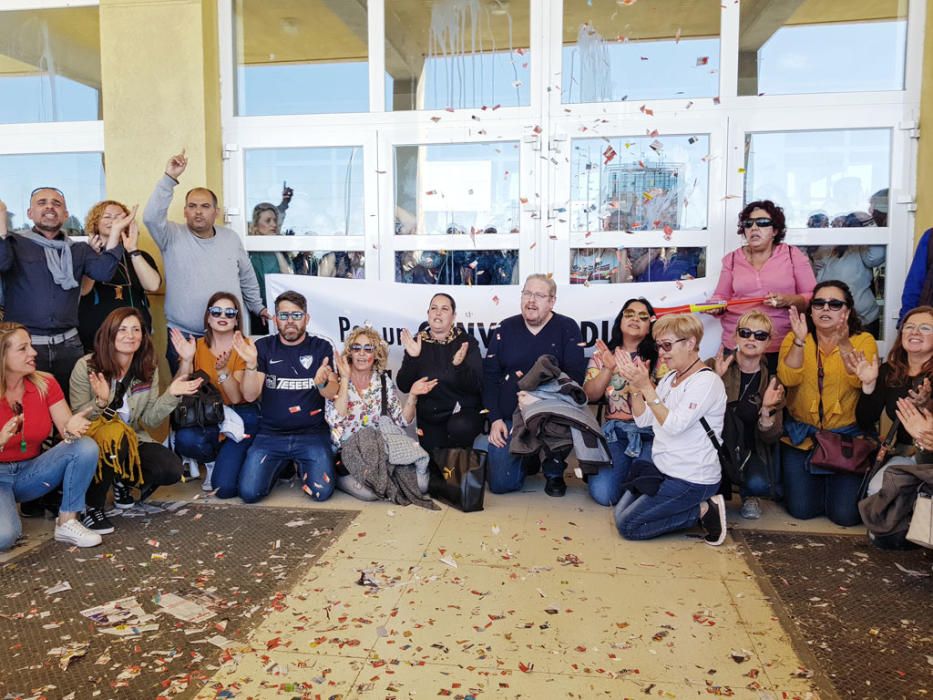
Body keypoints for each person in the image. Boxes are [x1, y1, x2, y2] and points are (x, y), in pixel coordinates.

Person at [69, 308, 203, 533]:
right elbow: (78, 419)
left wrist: (172, 392)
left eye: (135, 330)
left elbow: (150, 419)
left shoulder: (147, 368)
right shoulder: (86, 367)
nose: (129, 335)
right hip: (94, 444)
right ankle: (92, 507)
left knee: (170, 468)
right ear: (108, 334)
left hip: (132, 439)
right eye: (122, 329)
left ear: (143, 336)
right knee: (115, 436)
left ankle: (122, 481)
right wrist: (101, 402)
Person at [142, 151, 270, 373]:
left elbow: (247, 277)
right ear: (184, 211)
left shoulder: (230, 238)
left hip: (228, 334)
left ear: (216, 212)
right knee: (188, 401)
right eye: (192, 206)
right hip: (185, 337)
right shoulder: (170, 235)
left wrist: (258, 307)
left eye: (204, 206)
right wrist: (169, 178)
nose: (198, 212)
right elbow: (151, 217)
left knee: (230, 395)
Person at [613, 314, 729, 545]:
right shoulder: (670, 379)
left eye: (667, 345)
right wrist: (636, 389)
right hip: (663, 469)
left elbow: (674, 425)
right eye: (659, 346)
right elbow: (644, 420)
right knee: (619, 513)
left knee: (629, 527)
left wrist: (647, 386)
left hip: (691, 478)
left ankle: (704, 510)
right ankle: (689, 509)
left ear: (690, 343)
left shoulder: (706, 382)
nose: (662, 352)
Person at [0, 187, 122, 396]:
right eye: (42, 203)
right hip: (26, 347)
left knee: (70, 407)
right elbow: (2, 263)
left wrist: (116, 232)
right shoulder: (14, 243)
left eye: (57, 203)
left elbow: (103, 272)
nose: (49, 206)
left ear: (65, 215)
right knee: (28, 407)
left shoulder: (79, 249)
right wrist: (2, 224)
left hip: (69, 347)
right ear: (30, 213)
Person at [777, 280, 878, 526]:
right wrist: (800, 341)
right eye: (819, 303)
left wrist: (843, 343)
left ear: (848, 311)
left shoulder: (863, 340)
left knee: (844, 516)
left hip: (845, 441)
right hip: (804, 438)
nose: (825, 309)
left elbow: (858, 382)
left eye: (835, 304)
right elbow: (788, 378)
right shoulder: (795, 337)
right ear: (810, 310)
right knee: (801, 511)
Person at [0, 323, 102, 550]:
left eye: (31, 346)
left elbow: (67, 431)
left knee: (84, 446)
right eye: (23, 348)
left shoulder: (45, 383)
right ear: (2, 356)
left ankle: (67, 521)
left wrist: (74, 425)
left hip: (31, 472)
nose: (33, 353)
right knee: (4, 538)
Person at [483, 274, 586, 496]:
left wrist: (540, 399)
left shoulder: (567, 328)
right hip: (510, 416)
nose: (531, 300)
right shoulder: (505, 328)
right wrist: (495, 419)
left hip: (553, 414)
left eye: (539, 295)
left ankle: (553, 470)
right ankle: (526, 457)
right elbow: (490, 376)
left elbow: (575, 378)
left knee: (564, 420)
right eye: (527, 293)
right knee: (501, 484)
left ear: (551, 301)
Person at [233, 291, 338, 504]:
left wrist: (322, 383)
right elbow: (250, 395)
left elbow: (332, 392)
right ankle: (283, 466)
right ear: (275, 319)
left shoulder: (321, 347)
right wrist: (251, 364)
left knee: (321, 493)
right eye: (284, 315)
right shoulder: (262, 347)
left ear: (307, 319)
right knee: (249, 493)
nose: (290, 321)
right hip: (270, 436)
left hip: (312, 435)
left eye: (297, 315)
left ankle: (295, 464)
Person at [856, 306, 933, 547]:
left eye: (925, 328)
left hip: (930, 458)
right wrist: (868, 387)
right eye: (909, 327)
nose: (915, 332)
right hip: (905, 455)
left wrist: (927, 406)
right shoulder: (891, 371)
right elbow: (864, 420)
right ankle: (903, 530)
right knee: (877, 490)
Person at [327, 327, 434, 500]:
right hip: (348, 454)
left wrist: (413, 395)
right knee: (370, 494)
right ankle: (338, 476)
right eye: (357, 348)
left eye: (368, 348)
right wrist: (345, 379)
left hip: (380, 451)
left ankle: (384, 477)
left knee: (421, 485)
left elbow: (401, 421)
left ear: (376, 354)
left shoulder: (383, 381)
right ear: (350, 352)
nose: (362, 354)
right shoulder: (336, 380)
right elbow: (335, 419)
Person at [711, 200, 816, 372]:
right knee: (734, 396)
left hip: (781, 344)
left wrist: (787, 300)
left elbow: (813, 297)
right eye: (748, 224)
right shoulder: (732, 259)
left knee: (777, 396)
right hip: (739, 343)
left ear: (775, 230)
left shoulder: (792, 255)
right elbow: (720, 297)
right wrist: (715, 306)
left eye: (762, 223)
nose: (754, 228)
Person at [171, 292, 257, 494]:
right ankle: (210, 462)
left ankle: (229, 462)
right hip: (206, 415)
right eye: (216, 311)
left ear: (237, 320)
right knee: (184, 440)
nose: (222, 317)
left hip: (240, 413)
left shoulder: (244, 346)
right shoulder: (196, 346)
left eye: (230, 313)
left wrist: (223, 372)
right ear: (208, 318)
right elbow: (177, 390)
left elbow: (236, 398)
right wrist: (185, 361)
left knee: (224, 488)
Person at [707, 310, 785, 519]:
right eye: (745, 332)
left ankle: (749, 494)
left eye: (760, 335)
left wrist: (767, 410)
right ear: (736, 336)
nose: (752, 338)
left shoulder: (772, 381)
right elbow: (696, 412)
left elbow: (771, 436)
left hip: (750, 450)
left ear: (769, 342)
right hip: (715, 447)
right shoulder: (713, 365)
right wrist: (715, 380)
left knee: (759, 485)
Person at [582, 298, 658, 506]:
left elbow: (668, 401)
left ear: (650, 325)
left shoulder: (661, 356)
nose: (635, 319)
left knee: (646, 490)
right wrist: (608, 369)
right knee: (604, 494)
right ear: (620, 320)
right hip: (615, 433)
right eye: (629, 313)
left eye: (643, 316)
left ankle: (635, 475)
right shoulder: (603, 354)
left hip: (651, 433)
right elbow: (590, 395)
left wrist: (642, 383)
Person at [396, 293, 484, 452]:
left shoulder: (466, 342)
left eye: (444, 309)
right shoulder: (418, 342)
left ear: (453, 316)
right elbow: (403, 385)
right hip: (430, 419)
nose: (438, 312)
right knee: (434, 469)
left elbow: (476, 385)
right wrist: (413, 357)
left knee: (459, 434)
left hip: (462, 416)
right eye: (434, 308)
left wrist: (459, 366)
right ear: (428, 314)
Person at [78, 201, 162, 351]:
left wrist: (133, 250)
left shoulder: (139, 255)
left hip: (135, 339)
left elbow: (153, 285)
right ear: (96, 223)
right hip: (97, 339)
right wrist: (94, 256)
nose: (114, 221)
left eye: (119, 217)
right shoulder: (87, 254)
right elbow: (84, 290)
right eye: (107, 217)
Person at [810, 212, 885, 336]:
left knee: (862, 354)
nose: (836, 226)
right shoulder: (817, 247)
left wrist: (869, 223)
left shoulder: (857, 246)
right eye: (832, 224)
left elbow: (877, 257)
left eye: (841, 222)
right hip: (826, 319)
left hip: (863, 319)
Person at [247, 199, 293, 334]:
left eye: (274, 220)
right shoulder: (253, 254)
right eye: (268, 221)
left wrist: (276, 248)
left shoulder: (279, 250)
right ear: (256, 225)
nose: (273, 224)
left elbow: (289, 277)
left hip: (283, 311)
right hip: (263, 314)